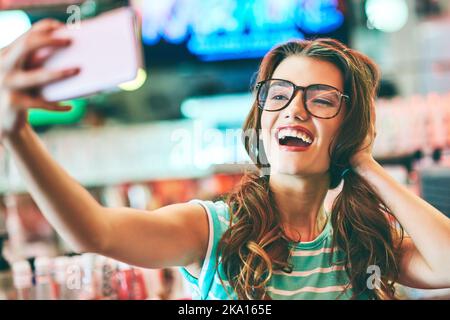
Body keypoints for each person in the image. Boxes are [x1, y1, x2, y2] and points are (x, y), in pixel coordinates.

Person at [1, 19, 449, 300]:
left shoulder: (363, 242)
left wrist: (365, 164)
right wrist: (16, 133)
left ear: (348, 128)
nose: (294, 109)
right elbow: (94, 230)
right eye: (280, 95)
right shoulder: (214, 230)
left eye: (321, 100)